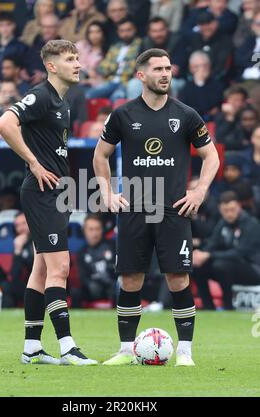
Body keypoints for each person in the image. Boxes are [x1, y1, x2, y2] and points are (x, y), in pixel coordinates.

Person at [93, 48, 220, 366]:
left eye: (168, 68)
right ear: (141, 76)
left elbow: (211, 156)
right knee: (130, 280)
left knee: (178, 279)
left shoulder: (187, 115)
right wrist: (107, 192)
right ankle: (125, 351)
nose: (165, 74)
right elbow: (100, 155)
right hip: (134, 208)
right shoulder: (123, 114)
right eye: (158, 69)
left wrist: (199, 191)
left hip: (172, 209)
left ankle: (185, 353)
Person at [0, 39, 97, 366]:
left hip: (54, 192)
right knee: (60, 268)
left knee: (41, 270)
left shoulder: (63, 102)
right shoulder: (40, 96)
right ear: (52, 66)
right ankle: (68, 347)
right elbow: (4, 124)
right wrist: (34, 164)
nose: (78, 64)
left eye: (78, 58)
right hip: (41, 191)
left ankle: (32, 348)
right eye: (70, 59)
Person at [192, 191, 260, 310]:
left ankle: (228, 305)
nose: (229, 214)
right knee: (197, 266)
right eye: (225, 210)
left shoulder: (251, 223)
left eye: (232, 209)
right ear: (220, 209)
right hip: (228, 266)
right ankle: (208, 307)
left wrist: (209, 255)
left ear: (239, 206)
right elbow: (212, 244)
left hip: (252, 268)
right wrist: (200, 255)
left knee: (221, 265)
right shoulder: (223, 224)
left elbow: (240, 253)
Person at [86, 16, 142, 102]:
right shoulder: (115, 47)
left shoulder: (140, 45)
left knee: (116, 99)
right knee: (88, 95)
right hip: (110, 81)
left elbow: (133, 69)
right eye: (122, 31)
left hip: (126, 82)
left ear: (134, 30)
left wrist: (114, 64)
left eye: (128, 30)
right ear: (118, 32)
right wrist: (116, 65)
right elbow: (102, 68)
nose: (125, 34)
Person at [77, 214, 116, 304]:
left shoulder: (113, 246)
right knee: (77, 293)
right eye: (91, 229)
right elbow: (83, 278)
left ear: (102, 230)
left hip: (112, 288)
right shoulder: (82, 253)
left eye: (97, 229)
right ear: (84, 231)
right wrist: (92, 284)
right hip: (92, 289)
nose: (94, 233)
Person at [178, 50, 223, 120]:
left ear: (209, 66)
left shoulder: (217, 85)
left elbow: (208, 107)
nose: (201, 69)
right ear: (191, 68)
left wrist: (200, 83)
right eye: (197, 66)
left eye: (204, 65)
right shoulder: (186, 87)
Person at [1, 212, 34, 308]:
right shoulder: (20, 243)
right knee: (6, 286)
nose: (21, 228)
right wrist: (17, 251)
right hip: (30, 285)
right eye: (17, 225)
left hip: (46, 284)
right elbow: (14, 275)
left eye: (24, 223)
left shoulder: (40, 239)